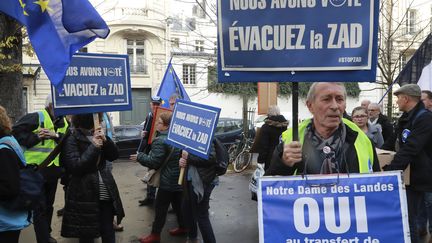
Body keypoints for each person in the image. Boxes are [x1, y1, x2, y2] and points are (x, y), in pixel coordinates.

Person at [266, 82, 380, 176]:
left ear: (345, 106)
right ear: (310, 106)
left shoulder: (362, 140)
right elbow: (267, 191)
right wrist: (284, 163)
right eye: (327, 99)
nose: (335, 106)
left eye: (339, 99)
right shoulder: (291, 140)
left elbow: (378, 188)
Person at [12, 95, 69, 243]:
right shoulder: (36, 117)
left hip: (53, 171)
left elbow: (68, 139)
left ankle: (47, 234)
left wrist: (55, 135)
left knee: (48, 206)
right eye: (60, 106)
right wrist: (36, 137)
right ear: (51, 105)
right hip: (35, 170)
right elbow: (15, 133)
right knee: (40, 208)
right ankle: (43, 239)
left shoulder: (63, 122)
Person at [60, 113, 124, 243]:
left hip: (105, 192)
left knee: (108, 230)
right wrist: (94, 146)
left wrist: (106, 141)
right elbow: (75, 166)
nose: (100, 121)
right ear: (89, 119)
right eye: (99, 118)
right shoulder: (72, 138)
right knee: (86, 233)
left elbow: (114, 156)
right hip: (84, 194)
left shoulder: (99, 134)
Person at [382, 84, 432, 243]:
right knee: (407, 217)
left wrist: (391, 171)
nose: (396, 102)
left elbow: (411, 148)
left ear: (406, 98)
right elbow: (391, 143)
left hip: (418, 177)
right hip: (407, 175)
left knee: (410, 219)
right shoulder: (405, 118)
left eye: (398, 98)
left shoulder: (424, 118)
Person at [130, 113, 186, 243]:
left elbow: (154, 162)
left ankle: (155, 235)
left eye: (159, 122)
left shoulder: (160, 140)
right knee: (178, 205)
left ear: (166, 126)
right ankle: (184, 227)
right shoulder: (178, 137)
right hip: (179, 179)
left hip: (167, 181)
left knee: (160, 209)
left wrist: (139, 157)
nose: (157, 124)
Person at [0, 106, 30, 243]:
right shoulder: (8, 142)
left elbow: (10, 188)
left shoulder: (3, 149)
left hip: (6, 222)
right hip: (8, 220)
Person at [179, 144, 218, 243]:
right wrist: (181, 161)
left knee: (201, 215)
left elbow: (211, 158)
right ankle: (193, 238)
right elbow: (185, 157)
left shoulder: (207, 136)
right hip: (190, 180)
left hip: (203, 181)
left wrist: (188, 157)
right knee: (186, 209)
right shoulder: (188, 138)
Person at [138, 96, 162, 206]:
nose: (155, 106)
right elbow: (146, 133)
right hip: (151, 150)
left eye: (158, 104)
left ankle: (165, 200)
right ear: (151, 105)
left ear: (160, 105)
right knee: (150, 173)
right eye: (154, 104)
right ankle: (150, 197)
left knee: (161, 174)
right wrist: (143, 133)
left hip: (161, 149)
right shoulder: (149, 115)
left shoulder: (164, 115)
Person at [417, 90, 432, 237]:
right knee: (421, 202)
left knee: (429, 201)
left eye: (422, 100)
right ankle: (420, 229)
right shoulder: (416, 118)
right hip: (421, 170)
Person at [256, 105, 288, 170]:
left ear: (269, 113)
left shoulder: (266, 127)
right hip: (283, 157)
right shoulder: (285, 126)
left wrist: (260, 161)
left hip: (270, 158)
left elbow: (263, 146)